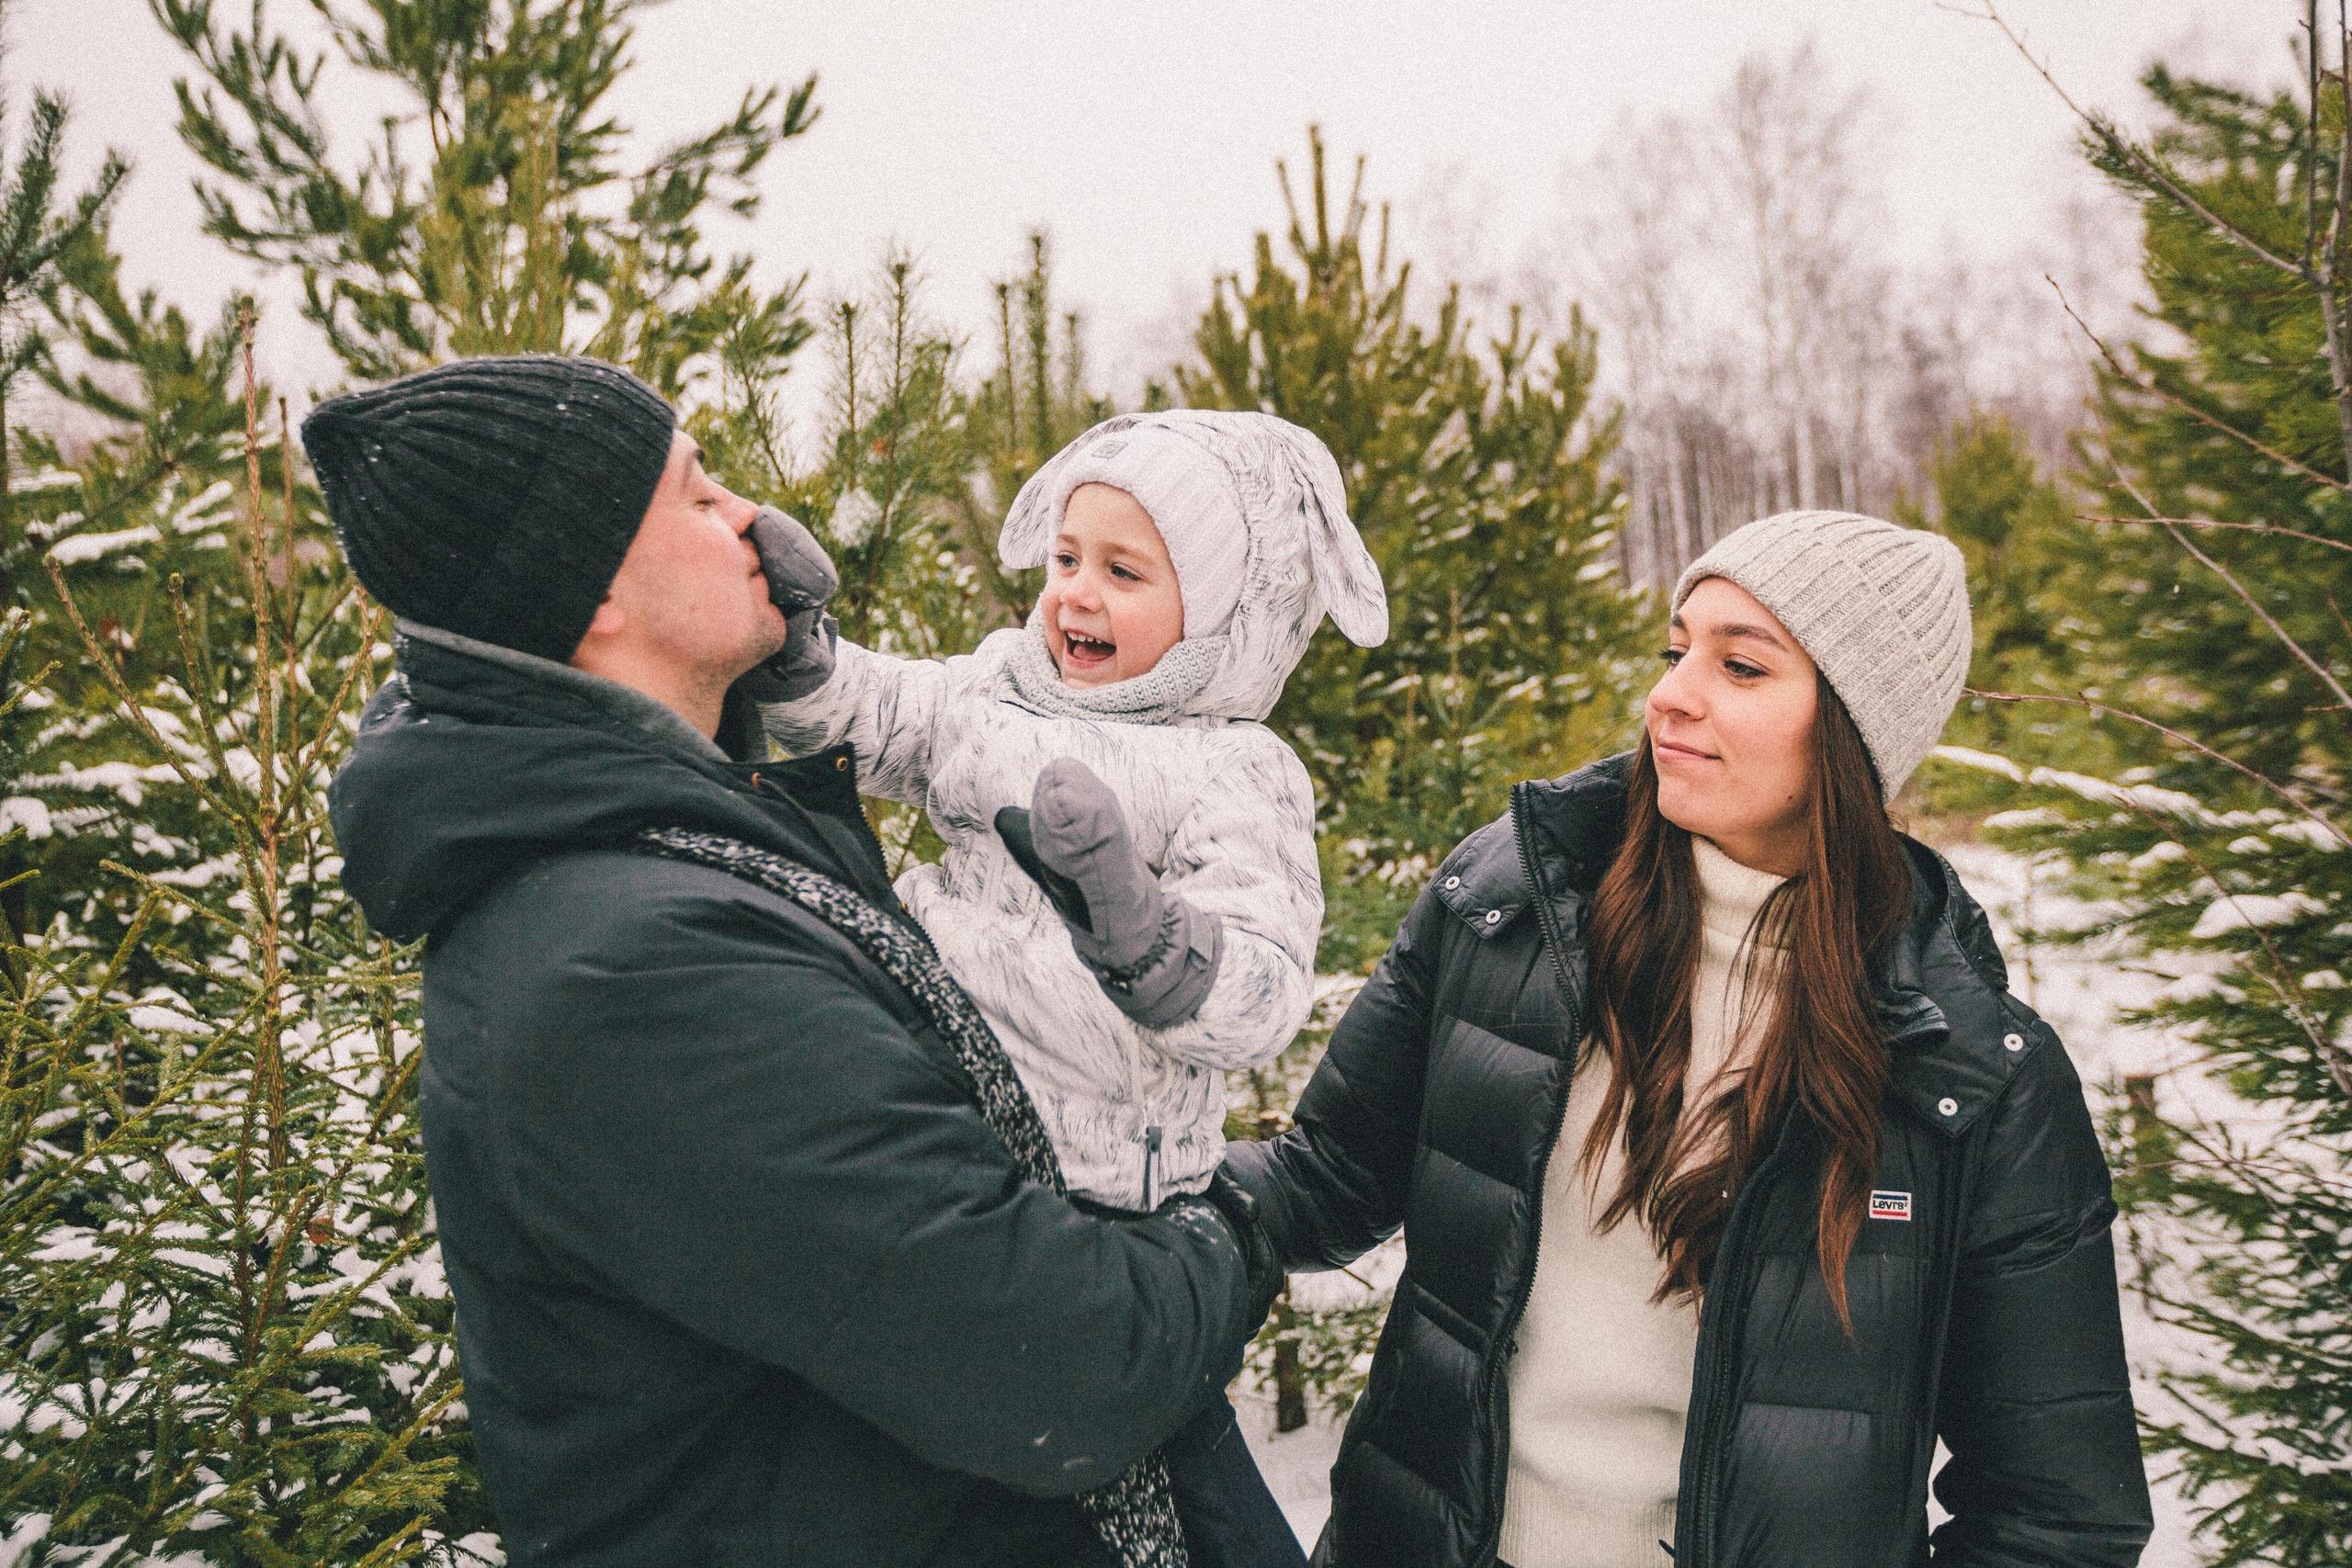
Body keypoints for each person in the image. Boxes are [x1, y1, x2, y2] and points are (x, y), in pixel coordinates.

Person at [311, 355, 1280, 1568]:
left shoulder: (662, 848)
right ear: (596, 580)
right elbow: (1051, 1363)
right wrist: (1244, 1218)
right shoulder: (633, 970)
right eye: (698, 492)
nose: (750, 518)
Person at [1225, 510, 2154, 1568]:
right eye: (1677, 651)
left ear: (1852, 731)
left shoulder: (1969, 1075)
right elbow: (1326, 1175)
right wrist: (1104, 1219)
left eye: (1742, 666)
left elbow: (2058, 1513)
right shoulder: (1512, 907)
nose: (1670, 694)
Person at [754, 410, 1391, 1568]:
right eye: (1064, 559)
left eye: (1123, 571)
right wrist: (803, 654)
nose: (1075, 596)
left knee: (1166, 1472)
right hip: (934, 1135)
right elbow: (875, 715)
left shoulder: (1232, 767)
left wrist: (1144, 934)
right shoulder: (993, 690)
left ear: (1219, 612)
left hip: (1104, 1199)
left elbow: (1259, 987)